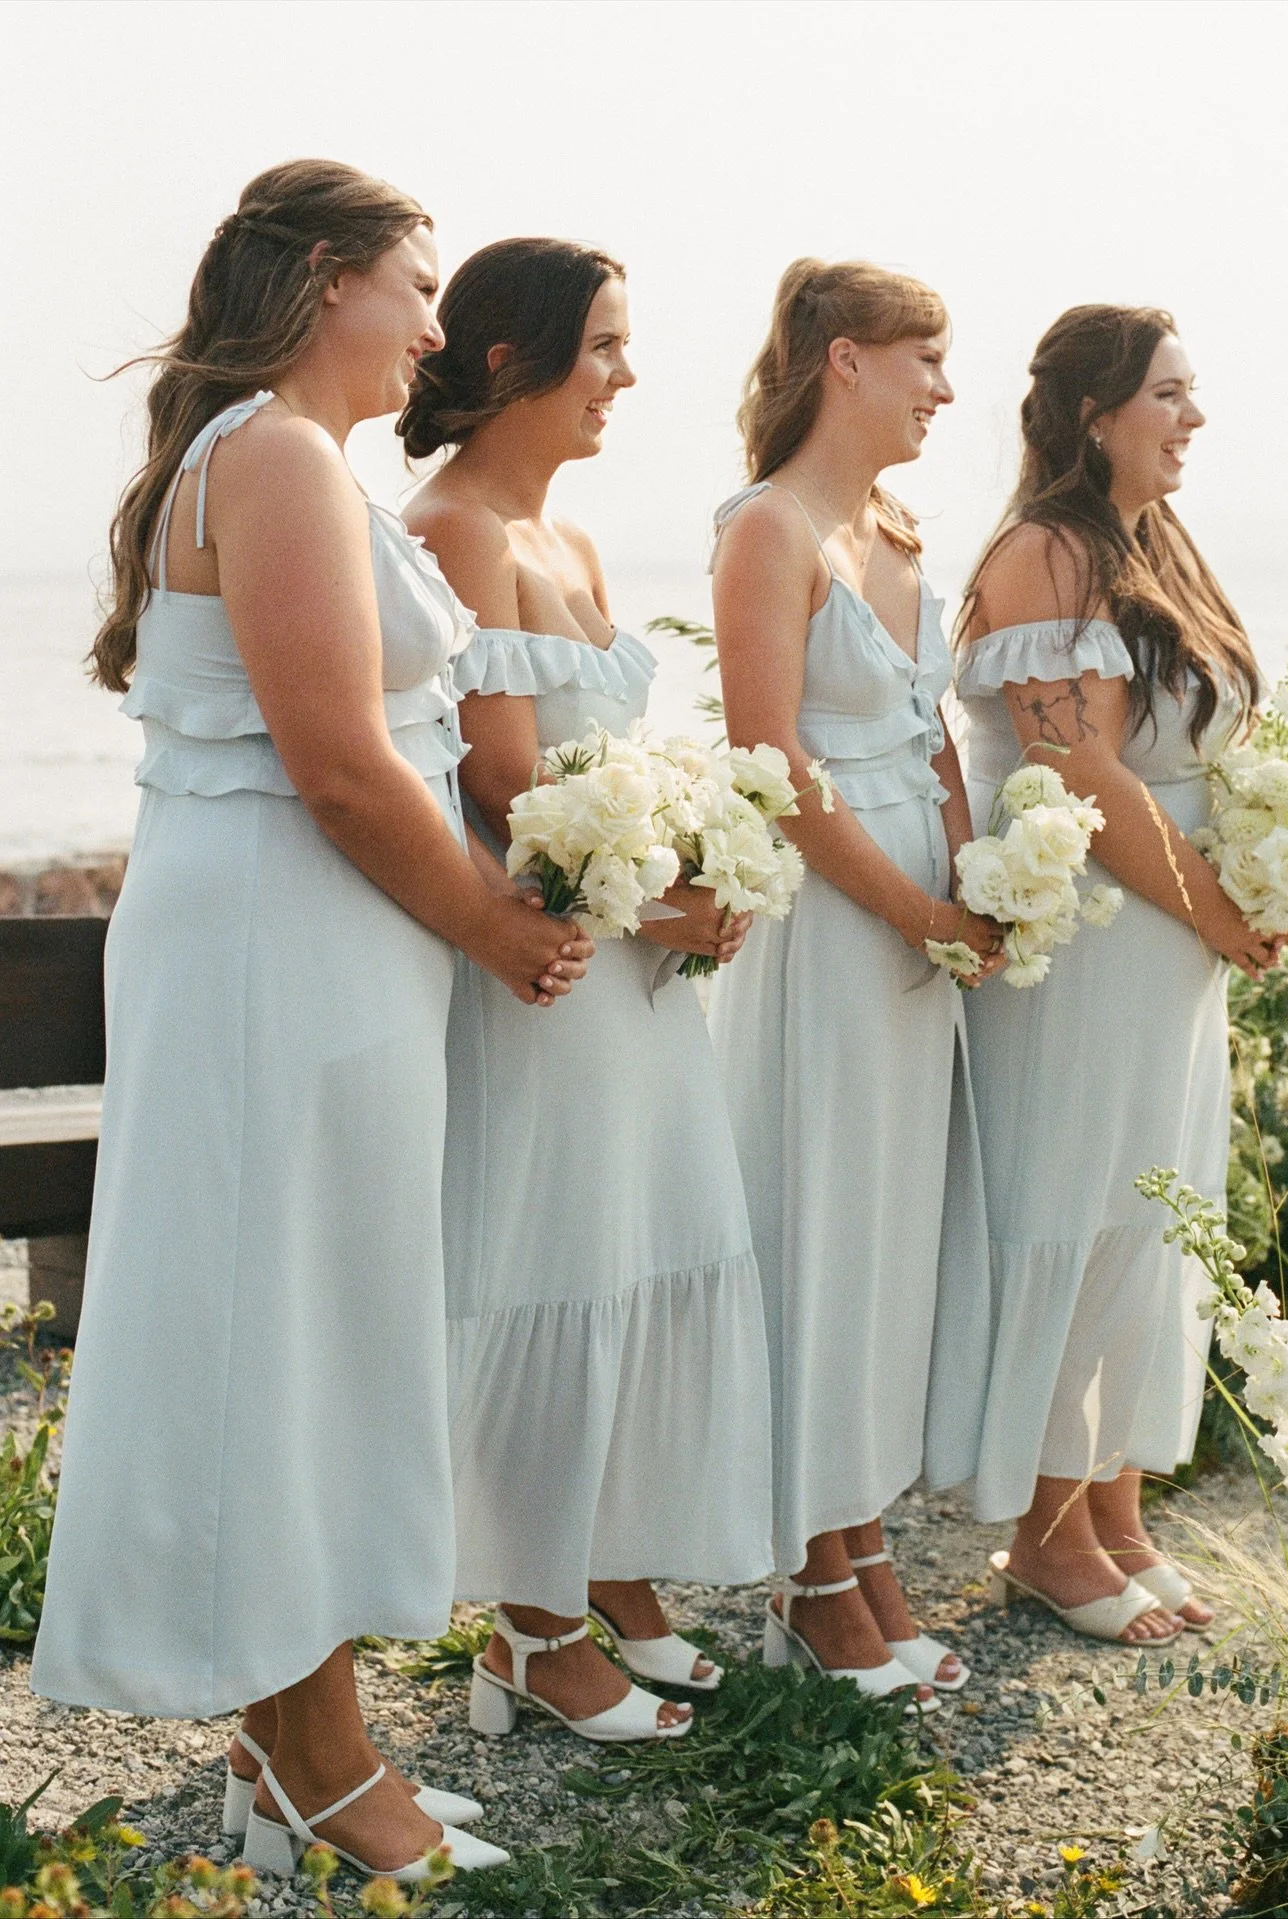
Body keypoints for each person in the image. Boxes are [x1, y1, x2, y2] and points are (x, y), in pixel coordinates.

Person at [30, 161, 592, 1878]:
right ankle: (325, 1760)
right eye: (416, 284)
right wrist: (499, 924)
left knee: (315, 1323)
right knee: (280, 1335)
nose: (437, 323)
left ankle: (293, 1755)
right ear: (325, 280)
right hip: (280, 939)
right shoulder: (271, 455)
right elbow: (340, 765)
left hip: (312, 944)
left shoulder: (291, 461)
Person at [399, 238, 773, 1743]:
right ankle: (528, 1623)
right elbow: (497, 781)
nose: (628, 375)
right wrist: (643, 892)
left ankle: (608, 1570)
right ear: (511, 363)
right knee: (551, 1260)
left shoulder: (580, 546)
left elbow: (609, 766)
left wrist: (705, 869)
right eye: (606, 347)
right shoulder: (453, 532)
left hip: (630, 958)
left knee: (643, 1245)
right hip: (543, 964)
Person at [953, 304, 1279, 1645]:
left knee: (1157, 1210)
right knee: (1081, 1203)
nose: (1193, 416)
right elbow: (1076, 765)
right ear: (1095, 410)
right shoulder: (1042, 552)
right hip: (1093, 925)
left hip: (1173, 937)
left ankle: (1115, 1501)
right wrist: (1213, 905)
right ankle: (1043, 1529)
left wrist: (1269, 865)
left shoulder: (1161, 548)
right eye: (1170, 393)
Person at [707, 258, 1001, 1707]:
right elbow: (772, 764)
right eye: (925, 360)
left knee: (889, 1233)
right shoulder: (770, 531)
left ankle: (866, 1545)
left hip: (919, 909)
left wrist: (980, 878)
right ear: (845, 362)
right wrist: (909, 908)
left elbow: (929, 723)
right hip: (833, 919)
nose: (946, 390)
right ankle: (815, 1578)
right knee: (822, 1223)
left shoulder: (891, 522)